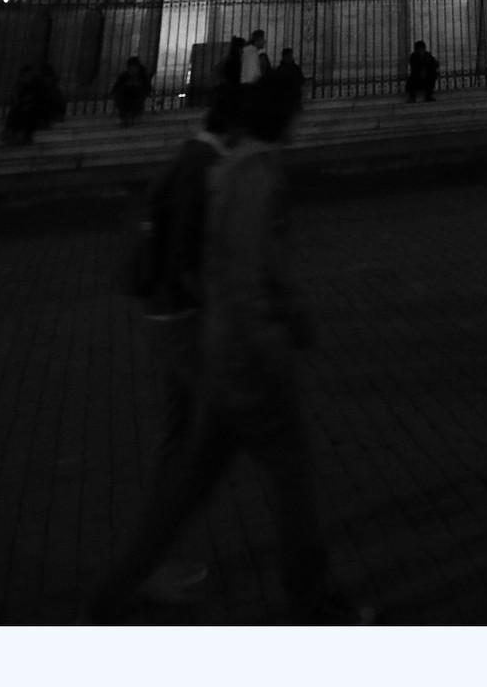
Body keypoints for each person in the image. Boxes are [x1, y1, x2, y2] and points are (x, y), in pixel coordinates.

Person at [87, 74, 363, 623]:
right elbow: (240, 274)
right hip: (244, 366)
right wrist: (276, 327)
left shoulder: (226, 168)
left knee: (187, 486)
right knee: (291, 483)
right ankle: (312, 606)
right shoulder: (246, 172)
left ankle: (107, 601)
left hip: (220, 360)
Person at [111, 54, 151, 127]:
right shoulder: (124, 76)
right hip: (125, 97)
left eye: (134, 67)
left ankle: (130, 117)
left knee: (134, 97)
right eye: (131, 68)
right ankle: (126, 117)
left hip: (136, 97)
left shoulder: (142, 77)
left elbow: (147, 89)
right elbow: (116, 88)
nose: (132, 70)